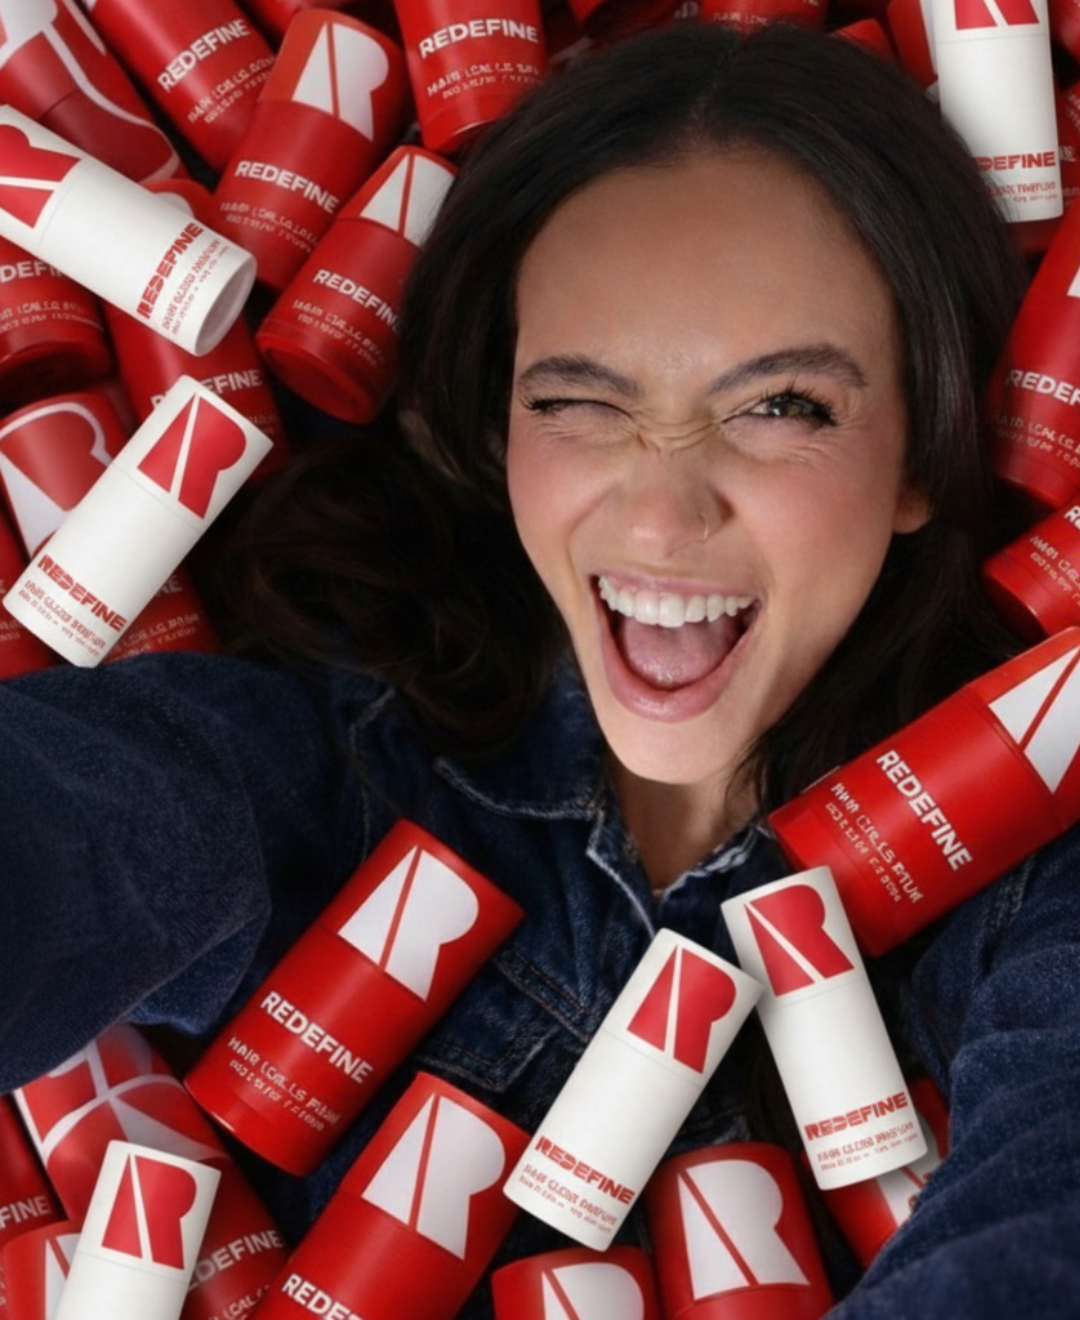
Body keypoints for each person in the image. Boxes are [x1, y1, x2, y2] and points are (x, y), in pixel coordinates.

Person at [1, 16, 1077, 1317]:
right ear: (495, 423)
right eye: (576, 400)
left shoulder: (1031, 888)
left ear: (920, 455)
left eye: (781, 406)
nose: (663, 518)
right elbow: (66, 830)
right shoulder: (318, 769)